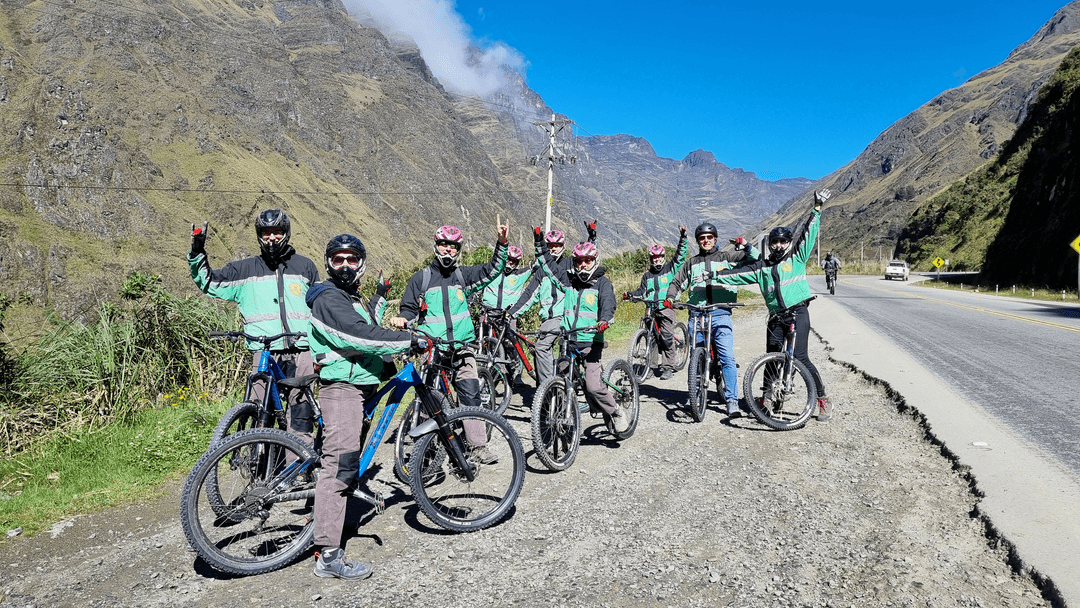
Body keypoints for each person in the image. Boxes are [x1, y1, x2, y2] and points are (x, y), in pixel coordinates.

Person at [305, 234, 418, 580]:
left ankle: (340, 519)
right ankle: (327, 556)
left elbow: (368, 327)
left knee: (350, 461)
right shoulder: (327, 298)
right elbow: (358, 335)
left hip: (358, 387)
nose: (344, 265)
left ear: (360, 264)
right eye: (337, 259)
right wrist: (410, 340)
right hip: (341, 389)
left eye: (351, 259)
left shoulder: (348, 298)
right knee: (339, 466)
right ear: (328, 263)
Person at [187, 209, 320, 437]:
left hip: (302, 351)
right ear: (259, 235)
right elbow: (209, 282)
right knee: (260, 410)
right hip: (264, 351)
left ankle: (299, 465)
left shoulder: (305, 266)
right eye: (267, 233)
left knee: (301, 412)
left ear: (286, 233)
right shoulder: (243, 269)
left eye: (277, 232)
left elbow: (320, 306)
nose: (272, 238)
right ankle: (260, 465)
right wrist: (197, 251)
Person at [709, 190, 834, 422]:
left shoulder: (797, 258)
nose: (778, 245)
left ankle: (821, 399)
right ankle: (766, 398)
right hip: (776, 317)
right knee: (773, 357)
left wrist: (816, 208)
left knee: (800, 357)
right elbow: (737, 274)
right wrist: (713, 275)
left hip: (798, 312)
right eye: (774, 242)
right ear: (770, 244)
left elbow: (808, 234)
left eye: (782, 241)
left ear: (788, 243)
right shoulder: (763, 268)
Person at [390, 218, 509, 457]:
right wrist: (403, 319)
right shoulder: (420, 279)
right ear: (436, 245)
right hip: (433, 350)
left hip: (462, 347)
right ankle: (427, 450)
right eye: (445, 244)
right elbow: (409, 310)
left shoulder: (463, 276)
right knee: (429, 398)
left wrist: (502, 243)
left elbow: (492, 271)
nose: (449, 249)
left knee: (470, 394)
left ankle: (477, 447)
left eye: (454, 246)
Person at [532, 231, 627, 433]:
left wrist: (604, 320)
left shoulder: (603, 284)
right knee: (561, 382)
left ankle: (616, 410)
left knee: (593, 386)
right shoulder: (568, 281)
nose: (583, 265)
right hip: (568, 342)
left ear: (595, 261)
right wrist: (540, 242)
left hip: (591, 343)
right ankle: (562, 418)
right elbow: (549, 265)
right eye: (579, 261)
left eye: (587, 261)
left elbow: (608, 304)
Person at [664, 222, 760, 417]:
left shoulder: (727, 257)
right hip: (697, 314)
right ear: (698, 241)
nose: (706, 241)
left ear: (715, 238)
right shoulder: (691, 263)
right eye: (702, 238)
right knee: (696, 357)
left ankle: (732, 400)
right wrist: (671, 297)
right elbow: (676, 282)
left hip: (720, 313)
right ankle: (696, 393)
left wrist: (747, 246)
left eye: (709, 237)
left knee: (726, 358)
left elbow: (755, 260)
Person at [508, 221, 596, 385]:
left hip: (566, 318)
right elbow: (529, 295)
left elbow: (587, 259)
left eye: (557, 245)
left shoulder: (571, 264)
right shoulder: (541, 271)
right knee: (540, 353)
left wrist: (592, 237)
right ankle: (548, 391)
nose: (553, 248)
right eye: (550, 245)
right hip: (548, 320)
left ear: (563, 245)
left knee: (547, 348)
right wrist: (512, 313)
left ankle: (551, 387)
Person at [622, 227, 690, 380]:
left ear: (664, 257)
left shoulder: (670, 269)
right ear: (651, 259)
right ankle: (651, 368)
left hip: (666, 307)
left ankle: (667, 367)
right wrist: (631, 295)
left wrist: (683, 237)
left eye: (660, 257)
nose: (657, 260)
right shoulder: (647, 276)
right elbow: (642, 291)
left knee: (666, 337)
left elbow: (680, 256)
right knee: (651, 339)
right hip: (650, 309)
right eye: (654, 258)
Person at [477, 245, 534, 385]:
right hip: (488, 312)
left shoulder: (520, 274)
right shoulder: (491, 272)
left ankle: (517, 371)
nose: (510, 263)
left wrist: (540, 241)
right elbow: (476, 284)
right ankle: (487, 374)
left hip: (507, 315)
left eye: (514, 261)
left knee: (511, 343)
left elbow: (539, 264)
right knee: (483, 343)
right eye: (508, 259)